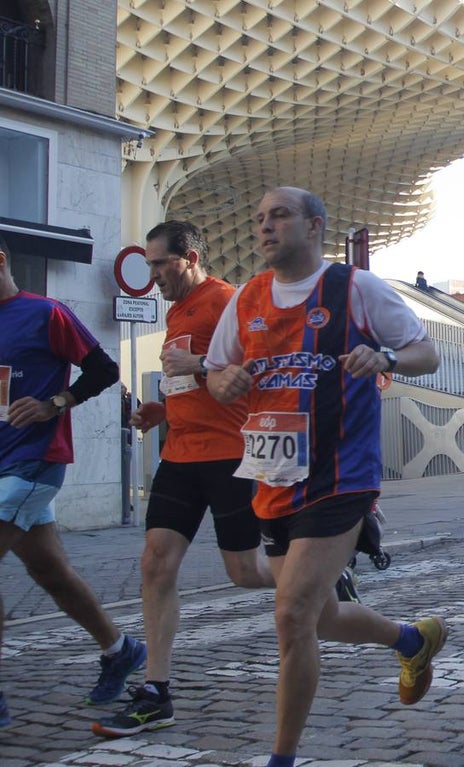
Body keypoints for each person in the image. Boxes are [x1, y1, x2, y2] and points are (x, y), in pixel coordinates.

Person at [204, 186, 445, 767]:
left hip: (340, 477)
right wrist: (223, 382)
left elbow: (427, 353)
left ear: (314, 226)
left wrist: (384, 358)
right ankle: (411, 639)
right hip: (272, 477)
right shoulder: (247, 298)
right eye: (260, 218)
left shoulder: (356, 288)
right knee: (323, 616)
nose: (266, 227)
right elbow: (214, 372)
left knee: (292, 615)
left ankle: (282, 758)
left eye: (279, 216)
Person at [93, 221, 278, 738]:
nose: (153, 274)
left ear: (190, 258)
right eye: (149, 264)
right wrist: (162, 410)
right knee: (155, 563)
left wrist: (197, 362)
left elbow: (261, 366)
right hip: (179, 454)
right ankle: (156, 692)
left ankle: (315, 575)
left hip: (229, 454)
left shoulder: (228, 301)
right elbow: (191, 385)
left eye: (160, 263)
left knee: (244, 572)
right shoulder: (175, 310)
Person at [0, 232, 144, 726]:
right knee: (51, 573)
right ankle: (120, 649)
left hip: (33, 461)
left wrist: (54, 404)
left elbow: (104, 369)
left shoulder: (45, 313)